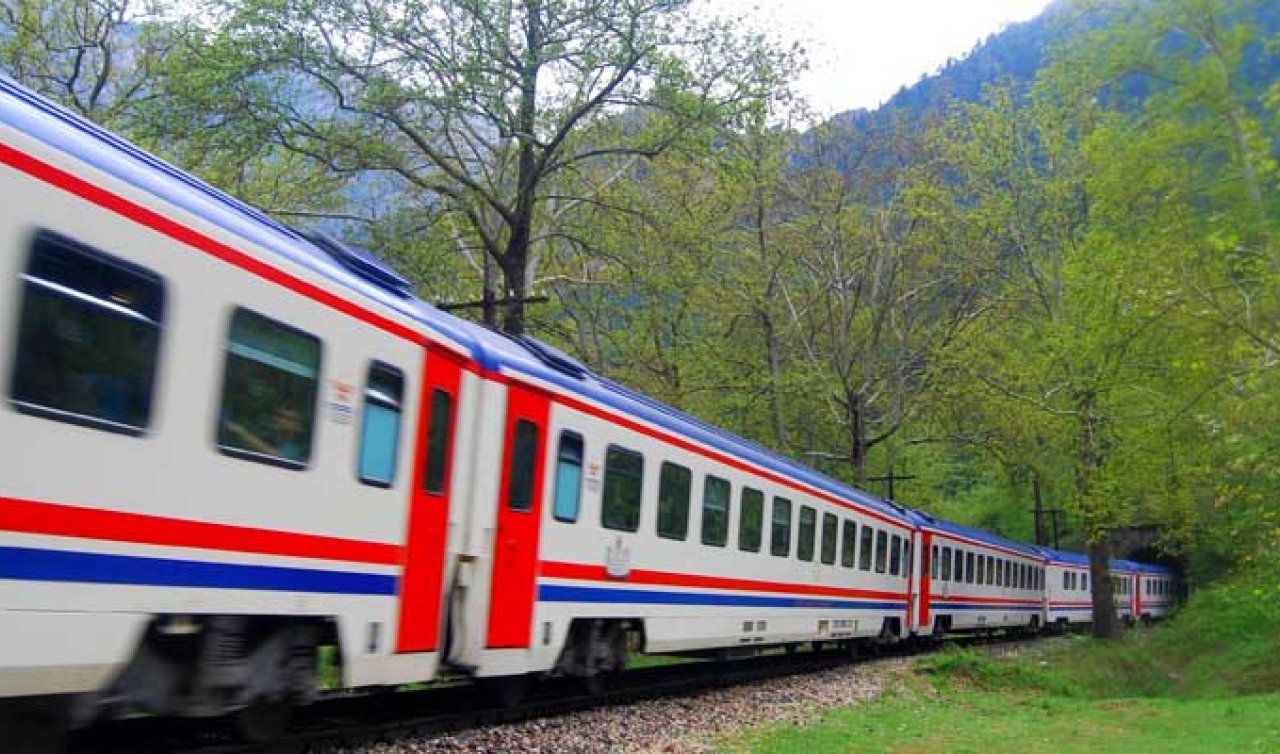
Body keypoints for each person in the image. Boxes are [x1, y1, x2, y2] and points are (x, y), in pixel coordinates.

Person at [222, 405, 308, 462]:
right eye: (278, 415)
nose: (277, 419)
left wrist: (241, 431)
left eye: (286, 418)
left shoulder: (298, 448)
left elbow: (277, 456)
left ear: (299, 427)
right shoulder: (274, 437)